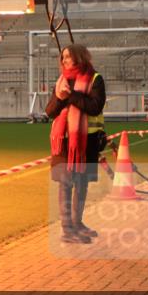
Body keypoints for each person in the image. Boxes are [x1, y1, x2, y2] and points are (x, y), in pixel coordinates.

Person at [46, 44, 106, 244]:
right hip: (64, 142)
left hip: (87, 142)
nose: (64, 61)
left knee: (82, 183)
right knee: (66, 183)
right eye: (62, 57)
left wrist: (71, 95)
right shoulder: (62, 81)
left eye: (68, 57)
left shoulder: (95, 79)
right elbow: (50, 112)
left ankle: (77, 223)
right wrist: (62, 96)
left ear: (79, 58)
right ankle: (67, 229)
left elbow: (94, 107)